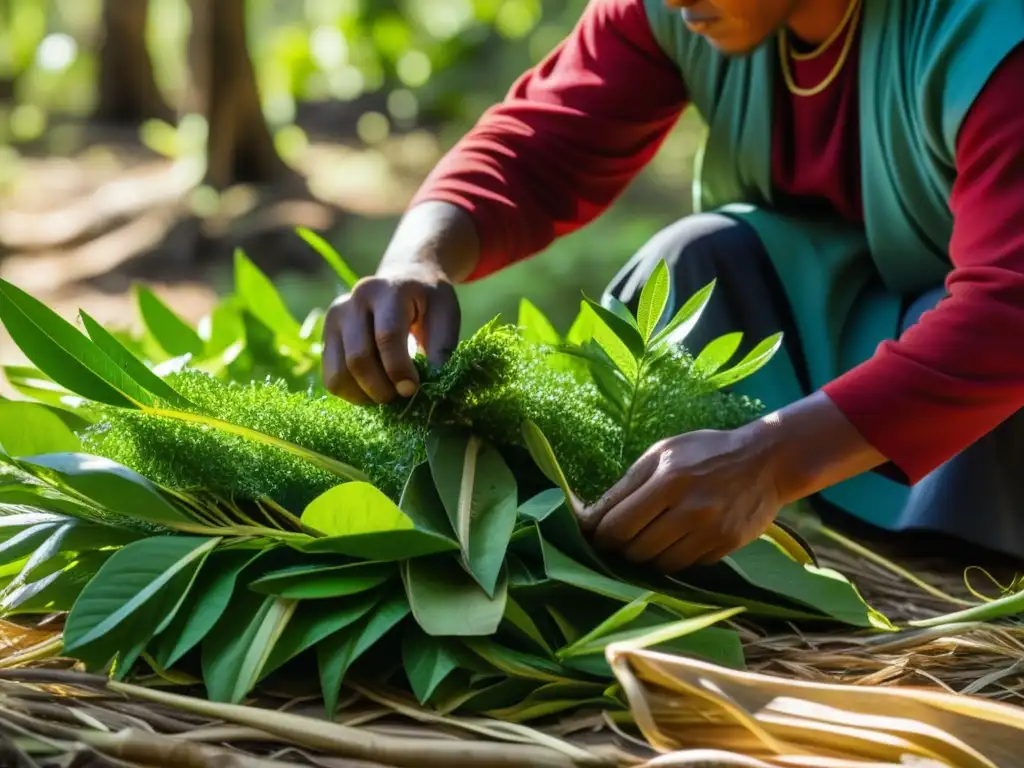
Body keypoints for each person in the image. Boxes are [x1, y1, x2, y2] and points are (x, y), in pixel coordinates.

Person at [321, 0, 1024, 568]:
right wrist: (412, 262)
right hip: (880, 333)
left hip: (992, 386)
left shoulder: (991, 31)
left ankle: (945, 555)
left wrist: (770, 461)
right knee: (697, 264)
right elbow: (542, 141)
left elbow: (1008, 311)